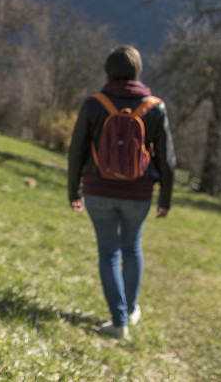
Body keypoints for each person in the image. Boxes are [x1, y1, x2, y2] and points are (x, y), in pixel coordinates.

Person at [67, 44, 176, 340]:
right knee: (132, 248)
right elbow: (167, 159)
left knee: (109, 253)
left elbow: (76, 151)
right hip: (138, 194)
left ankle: (118, 322)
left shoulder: (94, 104)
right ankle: (129, 310)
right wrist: (165, 197)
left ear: (108, 71)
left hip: (98, 190)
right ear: (138, 70)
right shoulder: (155, 107)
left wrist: (73, 190)